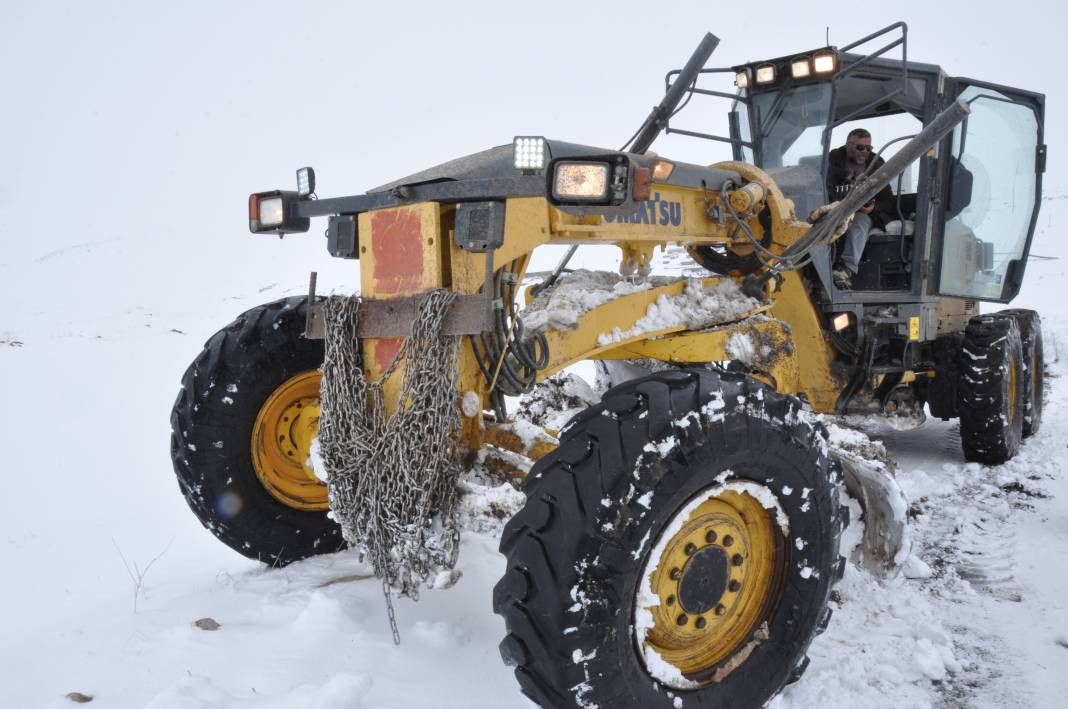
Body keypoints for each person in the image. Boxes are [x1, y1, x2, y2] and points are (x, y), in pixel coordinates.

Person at [826, 128, 895, 289]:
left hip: (863, 213)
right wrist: (844, 184)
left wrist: (872, 208)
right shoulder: (832, 160)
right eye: (859, 147)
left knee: (860, 222)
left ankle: (846, 269)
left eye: (868, 148)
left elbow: (889, 200)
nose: (864, 152)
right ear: (848, 145)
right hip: (834, 210)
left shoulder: (876, 164)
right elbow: (825, 186)